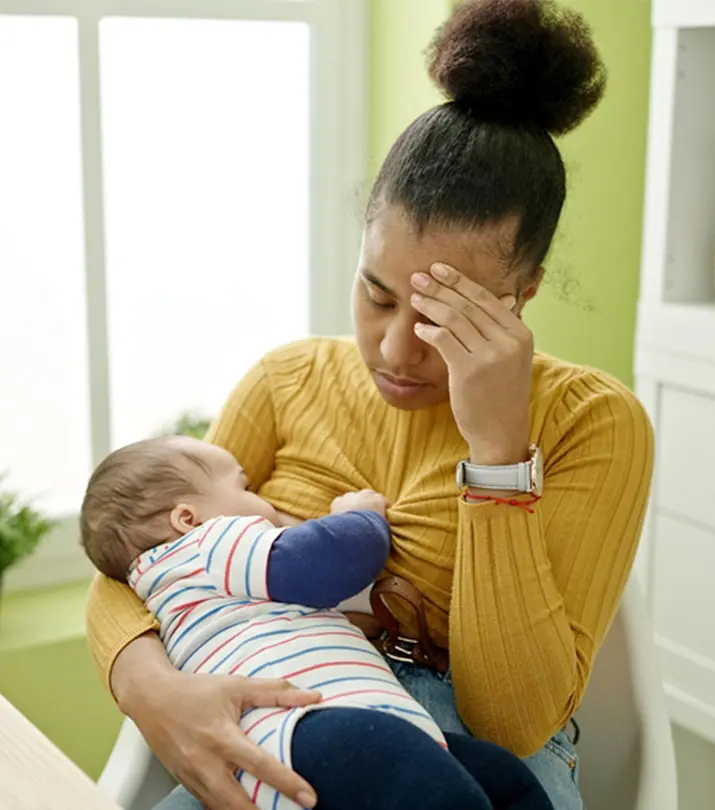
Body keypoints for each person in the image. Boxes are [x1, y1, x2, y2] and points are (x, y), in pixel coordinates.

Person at [85, 2, 654, 809]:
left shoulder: (594, 422)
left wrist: (497, 457)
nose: (393, 351)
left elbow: (512, 721)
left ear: (520, 296)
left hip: (476, 757)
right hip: (283, 723)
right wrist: (152, 690)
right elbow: (142, 559)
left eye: (439, 319)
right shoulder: (286, 381)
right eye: (376, 295)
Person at [81, 435, 554, 810]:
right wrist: (358, 519)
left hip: (288, 751)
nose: (261, 500)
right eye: (244, 488)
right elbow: (321, 562)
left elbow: (267, 621)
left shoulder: (169, 588)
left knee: (501, 779)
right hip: (307, 728)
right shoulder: (209, 543)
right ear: (188, 516)